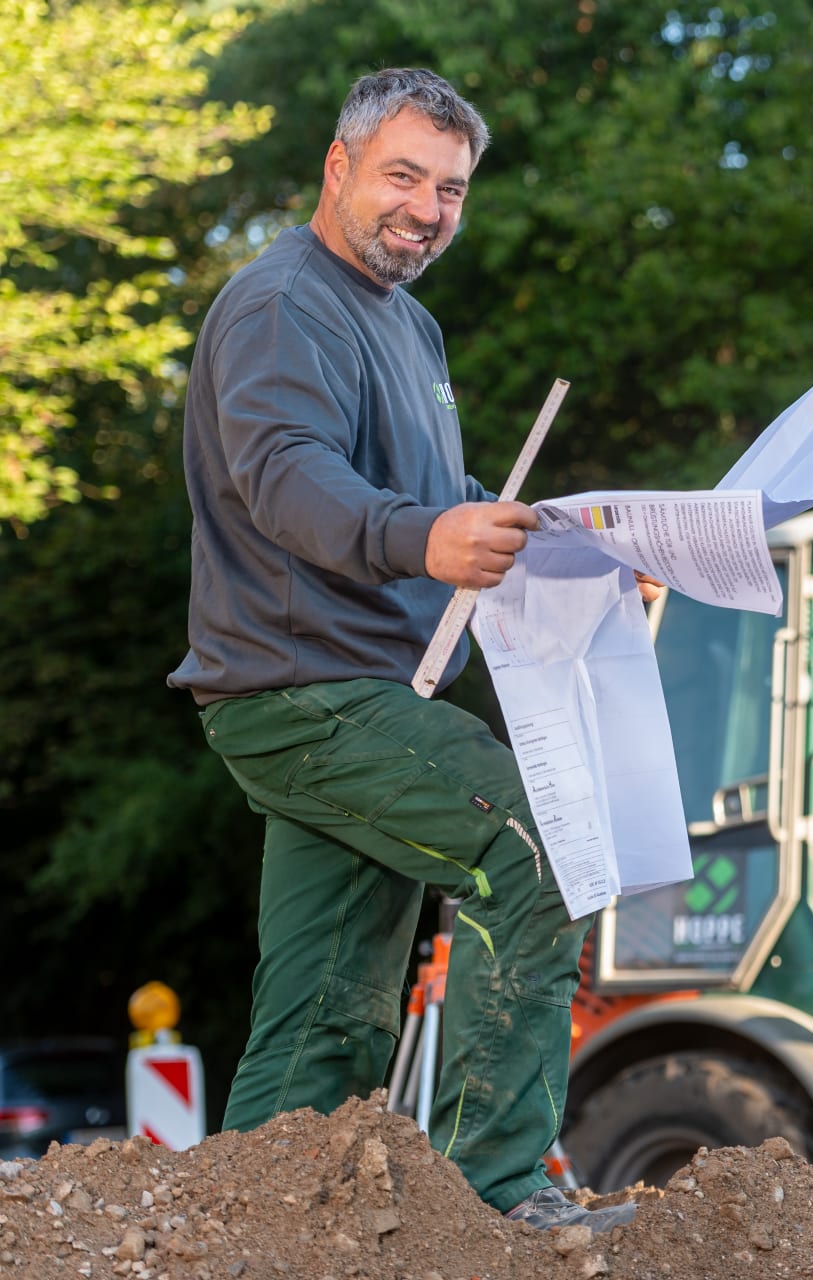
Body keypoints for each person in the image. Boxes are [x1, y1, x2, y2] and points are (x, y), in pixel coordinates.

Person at [170, 68, 646, 1233]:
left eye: (451, 188)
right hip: (303, 690)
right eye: (403, 175)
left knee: (328, 1002)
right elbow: (288, 476)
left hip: (364, 690)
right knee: (534, 849)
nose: (427, 208)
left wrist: (583, 548)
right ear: (338, 168)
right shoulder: (283, 302)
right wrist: (424, 535)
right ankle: (494, 1193)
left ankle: (248, 1233)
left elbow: (437, 497)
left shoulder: (408, 321)